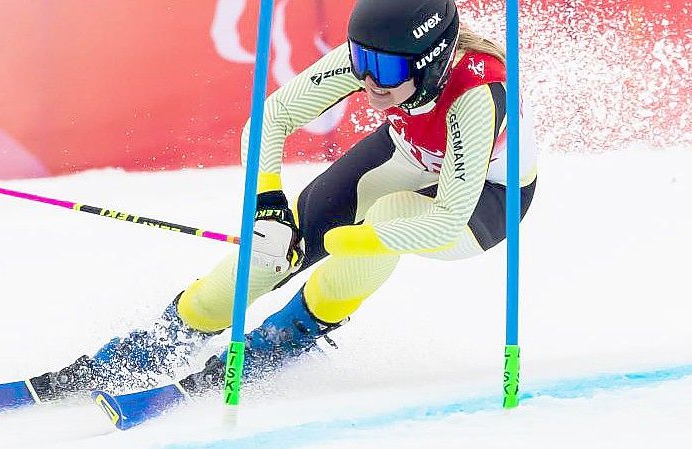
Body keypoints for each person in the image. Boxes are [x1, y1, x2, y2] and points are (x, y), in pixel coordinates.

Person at [29, 0, 538, 401]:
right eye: (360, 59)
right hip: (408, 154)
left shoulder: (477, 94)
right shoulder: (378, 56)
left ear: (430, 63)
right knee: (274, 248)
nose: (367, 81)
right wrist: (268, 205)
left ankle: (291, 334)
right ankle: (167, 337)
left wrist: (350, 239)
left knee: (384, 223)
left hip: (486, 199)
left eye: (382, 68)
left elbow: (445, 219)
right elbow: (269, 120)